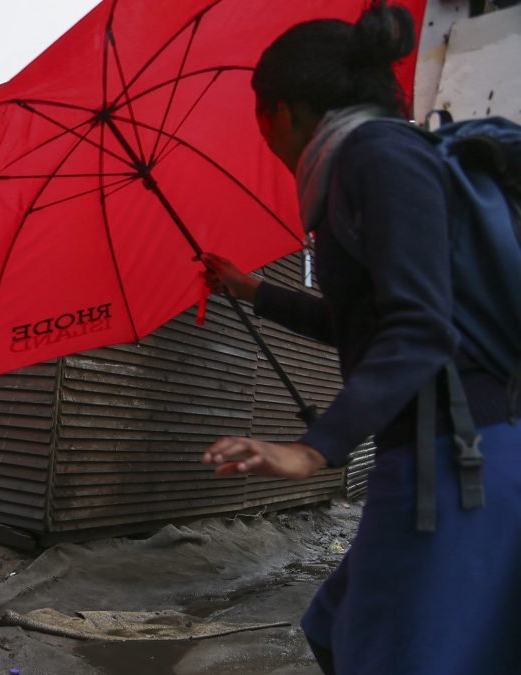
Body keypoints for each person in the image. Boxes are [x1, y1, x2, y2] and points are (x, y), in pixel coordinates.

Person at [200, 3, 521, 674]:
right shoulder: (355, 164)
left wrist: (314, 450)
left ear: (280, 112)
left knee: (392, 652)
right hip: (433, 456)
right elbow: (365, 325)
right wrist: (251, 290)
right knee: (334, 626)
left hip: (460, 461)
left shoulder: (375, 154)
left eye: (260, 117)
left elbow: (420, 326)